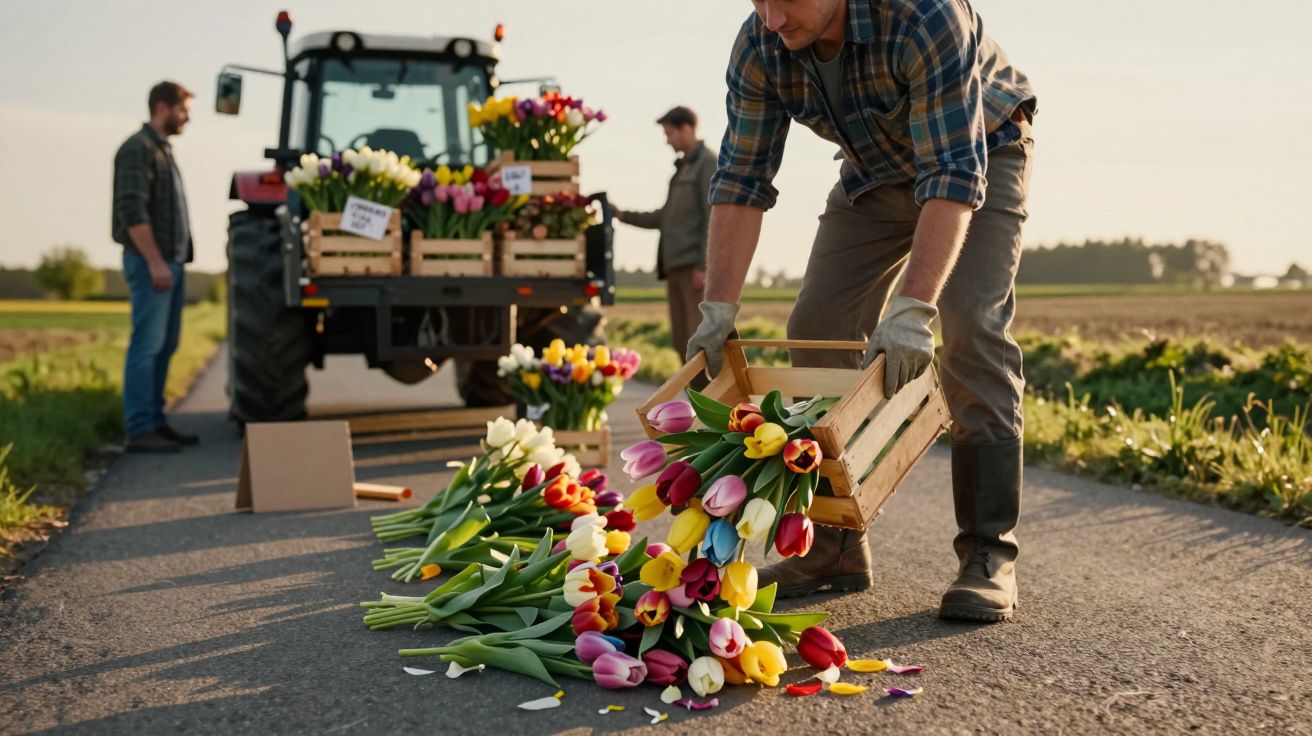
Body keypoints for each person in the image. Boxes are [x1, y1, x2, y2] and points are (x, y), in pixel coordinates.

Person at [687, 0, 1036, 623]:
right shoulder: (762, 46)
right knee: (815, 325)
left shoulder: (923, 16)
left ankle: (988, 554)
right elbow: (742, 178)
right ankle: (835, 548)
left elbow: (952, 173)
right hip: (874, 172)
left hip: (980, 151)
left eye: (783, 1)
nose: (771, 19)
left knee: (968, 328)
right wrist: (717, 308)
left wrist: (911, 311)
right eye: (757, 1)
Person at [111, 81, 199, 453]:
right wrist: (155, 262)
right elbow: (132, 210)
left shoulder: (162, 150)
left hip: (170, 263)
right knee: (147, 344)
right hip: (153, 263)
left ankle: (155, 421)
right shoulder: (138, 149)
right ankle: (140, 427)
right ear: (163, 107)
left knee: (165, 345)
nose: (187, 118)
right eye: (183, 110)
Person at [612, 106, 716, 361]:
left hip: (694, 268)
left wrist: (704, 266)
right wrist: (623, 215)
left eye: (670, 133)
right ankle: (692, 397)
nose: (667, 140)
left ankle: (709, 398)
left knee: (697, 342)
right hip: (675, 267)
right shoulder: (682, 169)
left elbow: (712, 216)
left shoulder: (707, 164)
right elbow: (665, 218)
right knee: (681, 340)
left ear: (687, 129)